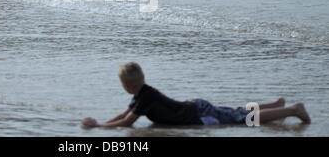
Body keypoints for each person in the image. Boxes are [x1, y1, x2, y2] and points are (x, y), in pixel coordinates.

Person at [82, 62, 311, 128]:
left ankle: (292, 110)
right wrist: (102, 123)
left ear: (125, 85)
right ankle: (276, 104)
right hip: (198, 107)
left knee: (243, 120)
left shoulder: (145, 97)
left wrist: (97, 127)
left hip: (200, 114)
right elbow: (123, 115)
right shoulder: (143, 94)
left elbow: (128, 122)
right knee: (235, 112)